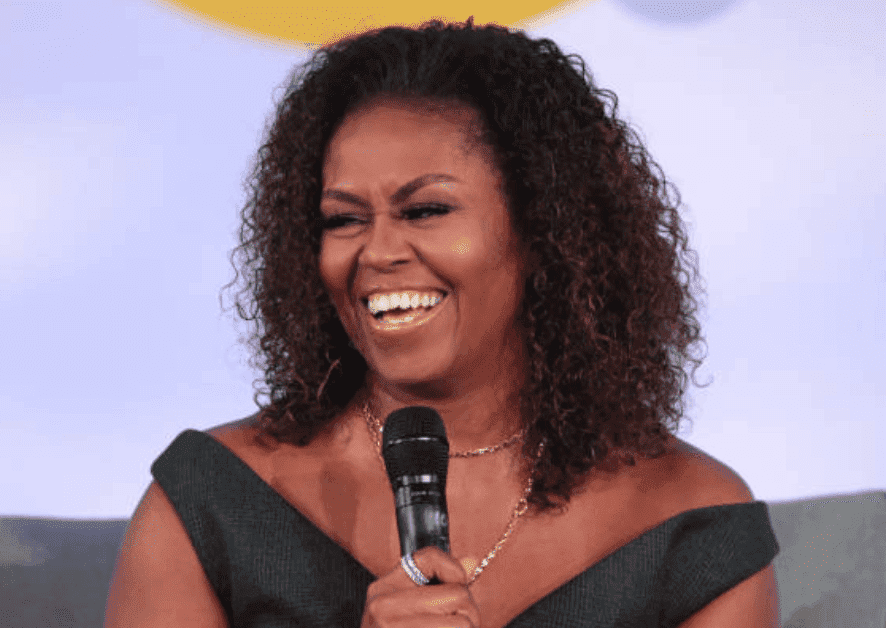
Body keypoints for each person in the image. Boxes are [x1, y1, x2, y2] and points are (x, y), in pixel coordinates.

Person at [104, 18, 780, 628]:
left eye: (425, 211)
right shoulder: (211, 506)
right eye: (343, 220)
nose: (378, 251)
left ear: (544, 231)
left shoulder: (690, 524)